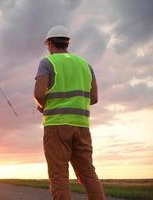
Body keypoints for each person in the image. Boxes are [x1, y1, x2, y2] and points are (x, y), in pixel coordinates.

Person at [34, 25, 105, 200]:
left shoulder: (47, 62)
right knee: (88, 173)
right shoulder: (85, 64)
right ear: (67, 43)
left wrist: (43, 106)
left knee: (59, 175)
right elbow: (94, 97)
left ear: (50, 44)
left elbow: (38, 94)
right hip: (81, 126)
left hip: (56, 126)